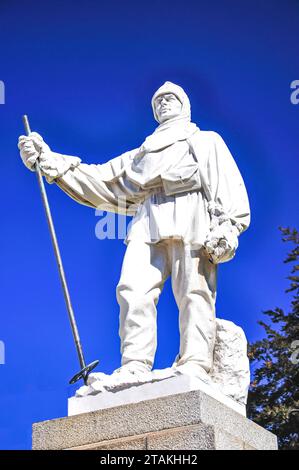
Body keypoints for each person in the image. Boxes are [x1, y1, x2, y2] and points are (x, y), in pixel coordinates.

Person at [18, 81, 250, 384]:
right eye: (159, 101)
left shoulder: (205, 140)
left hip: (191, 214)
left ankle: (195, 362)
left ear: (184, 105)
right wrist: (48, 160)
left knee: (194, 289)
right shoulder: (141, 154)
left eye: (171, 98)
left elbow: (226, 182)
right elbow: (102, 179)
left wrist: (228, 225)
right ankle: (135, 363)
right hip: (147, 217)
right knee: (132, 288)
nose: (164, 103)